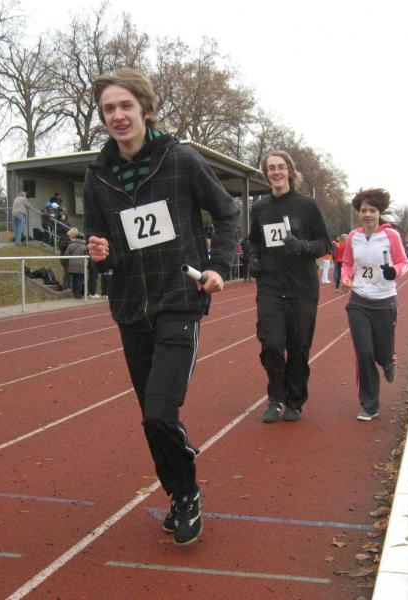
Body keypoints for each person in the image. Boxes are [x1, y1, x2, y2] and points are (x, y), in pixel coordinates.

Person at [83, 68, 238, 546]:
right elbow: (103, 241)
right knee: (150, 415)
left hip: (179, 299)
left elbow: (227, 212)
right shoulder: (98, 175)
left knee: (159, 412)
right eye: (109, 109)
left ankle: (186, 491)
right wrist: (100, 253)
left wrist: (217, 265)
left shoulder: (181, 160)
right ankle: (179, 493)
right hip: (131, 306)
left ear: (145, 110)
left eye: (125, 106)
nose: (117, 115)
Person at [248, 150, 331, 424]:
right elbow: (254, 242)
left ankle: (295, 401)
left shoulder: (307, 206)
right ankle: (276, 398)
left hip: (302, 289)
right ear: (266, 174)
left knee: (299, 348)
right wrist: (254, 260)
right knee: (271, 344)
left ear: (290, 171)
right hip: (270, 286)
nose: (276, 172)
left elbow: (325, 243)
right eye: (271, 168)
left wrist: (302, 246)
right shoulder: (260, 209)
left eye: (281, 167)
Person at [340, 188, 408, 421]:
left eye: (372, 210)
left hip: (384, 302)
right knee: (364, 352)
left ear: (380, 212)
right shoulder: (353, 237)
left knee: (382, 351)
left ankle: (388, 360)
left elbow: (404, 262)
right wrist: (346, 277)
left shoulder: (391, 236)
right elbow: (347, 263)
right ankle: (370, 405)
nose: (367, 214)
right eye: (363, 210)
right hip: (359, 301)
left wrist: (394, 271)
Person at [64, 228, 87, 298]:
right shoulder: (84, 246)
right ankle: (78, 295)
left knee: (74, 279)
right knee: (79, 280)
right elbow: (87, 255)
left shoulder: (71, 245)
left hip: (72, 266)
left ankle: (74, 294)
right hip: (81, 265)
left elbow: (66, 254)